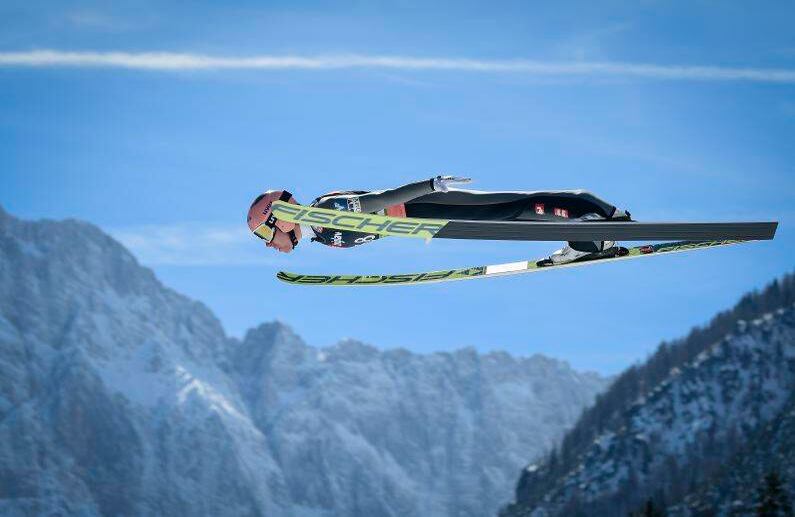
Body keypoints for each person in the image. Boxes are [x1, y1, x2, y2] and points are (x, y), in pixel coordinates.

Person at [246, 176, 632, 264]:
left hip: (424, 208)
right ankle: (590, 237)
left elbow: (379, 200)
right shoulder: (320, 232)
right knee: (512, 216)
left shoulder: (323, 213)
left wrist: (428, 185)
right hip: (426, 218)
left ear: (278, 217)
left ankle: (595, 217)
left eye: (265, 231)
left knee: (511, 208)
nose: (268, 242)